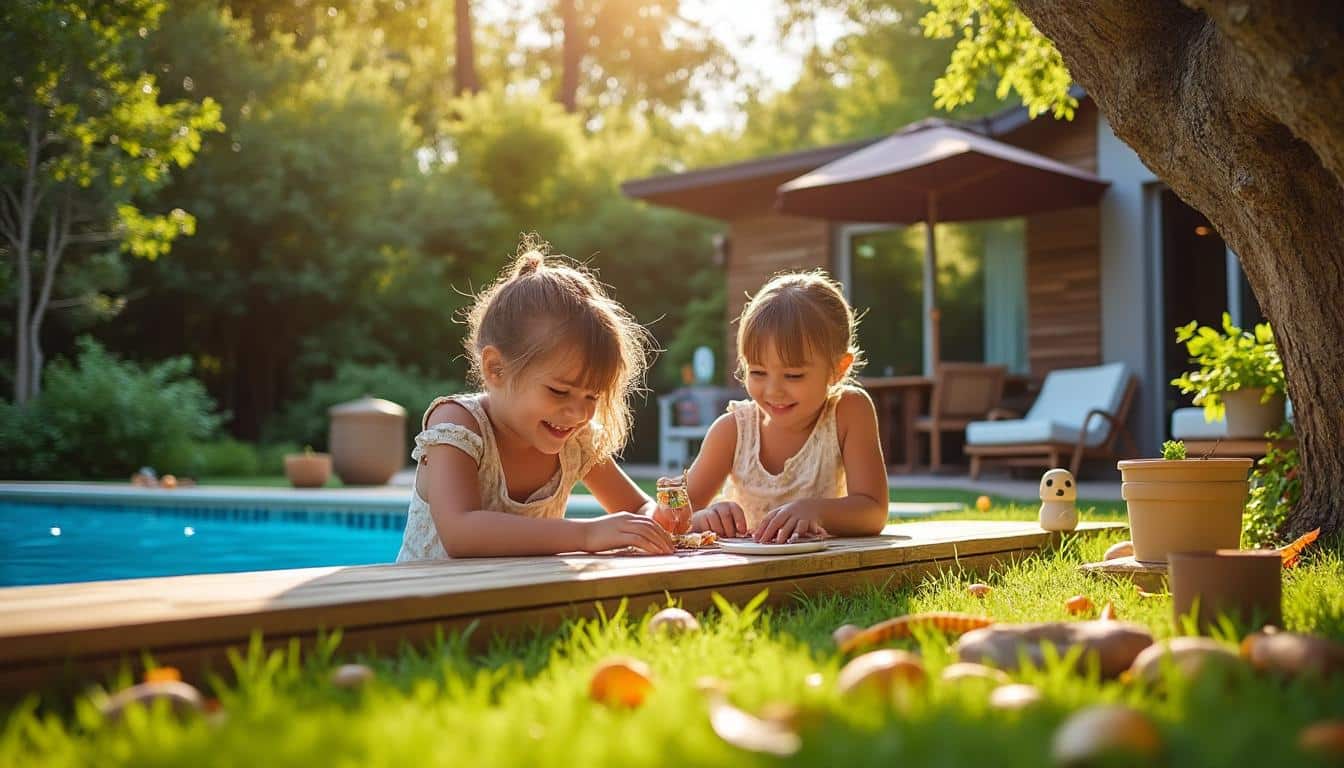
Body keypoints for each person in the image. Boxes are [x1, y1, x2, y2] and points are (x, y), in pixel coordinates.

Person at [396, 236, 674, 559]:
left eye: (592, 396)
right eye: (559, 391)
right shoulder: (457, 425)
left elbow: (638, 507)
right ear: (495, 368)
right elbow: (460, 532)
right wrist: (585, 533)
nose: (577, 413)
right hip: (428, 604)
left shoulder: (574, 443)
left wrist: (666, 519)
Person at [684, 270, 889, 543]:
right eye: (757, 372)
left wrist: (815, 511)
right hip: (742, 576)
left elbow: (873, 511)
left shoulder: (847, 412)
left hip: (818, 573)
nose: (773, 391)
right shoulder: (732, 431)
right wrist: (702, 518)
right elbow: (674, 517)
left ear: (838, 369)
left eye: (793, 375)